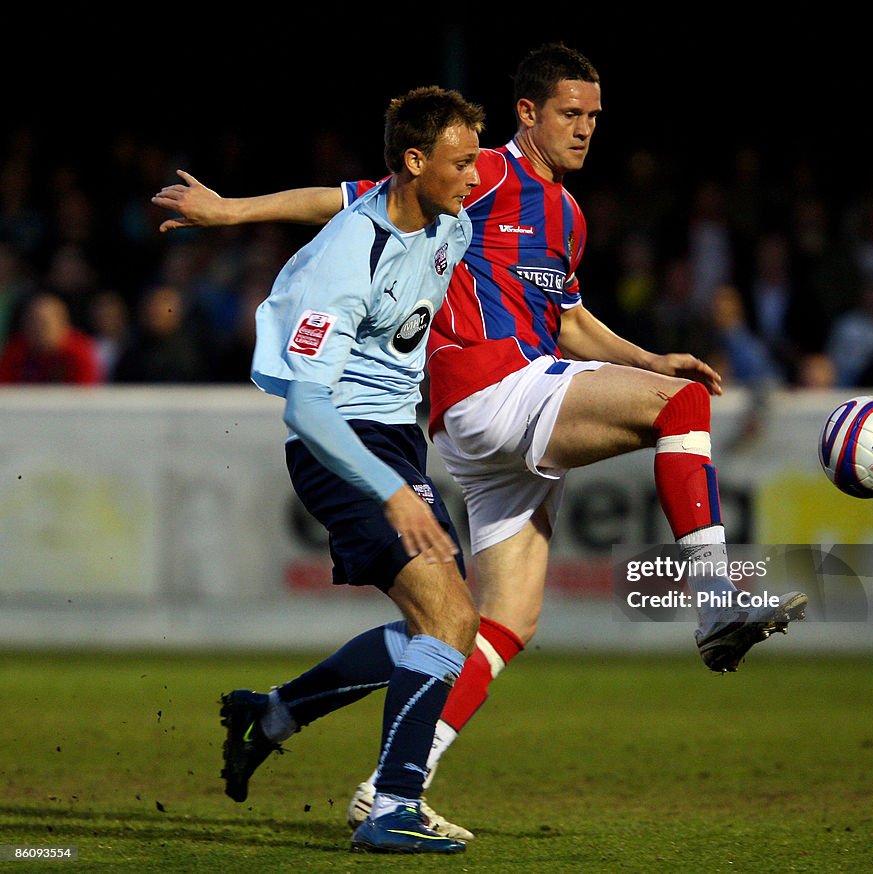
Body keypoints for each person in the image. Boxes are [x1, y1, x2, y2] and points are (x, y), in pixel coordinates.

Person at [153, 43, 807, 839]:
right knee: (677, 410)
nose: (587, 128)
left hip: (478, 410)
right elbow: (347, 200)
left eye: (596, 116)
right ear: (527, 113)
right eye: (571, 112)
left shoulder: (565, 214)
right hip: (490, 393)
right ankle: (712, 598)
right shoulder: (481, 173)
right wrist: (229, 212)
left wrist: (642, 357)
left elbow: (563, 316)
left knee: (488, 623)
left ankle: (325, 741)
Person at [209, 86, 485, 855]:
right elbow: (306, 407)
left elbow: (326, 193)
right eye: (463, 163)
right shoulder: (346, 254)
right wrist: (392, 492)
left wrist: (232, 210)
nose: (475, 176)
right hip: (342, 447)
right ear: (414, 161)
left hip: (397, 443)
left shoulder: (444, 218)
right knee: (451, 619)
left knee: (436, 626)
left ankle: (270, 714)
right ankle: (392, 805)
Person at [0, 290, 103, 384]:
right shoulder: (15, 351)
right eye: (32, 322)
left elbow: (86, 395)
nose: (37, 329)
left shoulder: (80, 353)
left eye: (44, 323)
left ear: (63, 324)